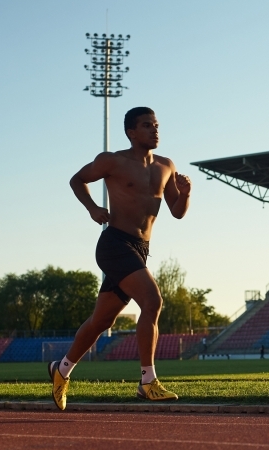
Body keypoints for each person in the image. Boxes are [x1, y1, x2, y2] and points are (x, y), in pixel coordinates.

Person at [48, 107, 191, 411]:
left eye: (156, 125)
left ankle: (61, 370)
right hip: (114, 243)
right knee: (152, 301)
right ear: (131, 132)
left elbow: (176, 212)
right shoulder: (112, 161)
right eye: (146, 126)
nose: (154, 130)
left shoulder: (166, 166)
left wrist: (187, 194)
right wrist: (92, 208)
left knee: (102, 320)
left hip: (139, 249)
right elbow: (77, 180)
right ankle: (147, 381)